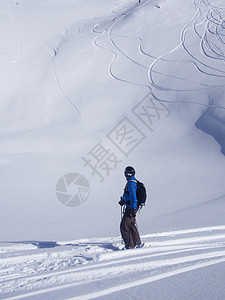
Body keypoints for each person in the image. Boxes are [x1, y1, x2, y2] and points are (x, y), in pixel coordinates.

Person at [119, 166, 142, 249]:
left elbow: (133, 197)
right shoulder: (133, 181)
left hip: (130, 208)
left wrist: (132, 209)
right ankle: (137, 243)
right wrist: (124, 201)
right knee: (131, 225)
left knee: (124, 226)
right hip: (131, 207)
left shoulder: (131, 183)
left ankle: (130, 246)